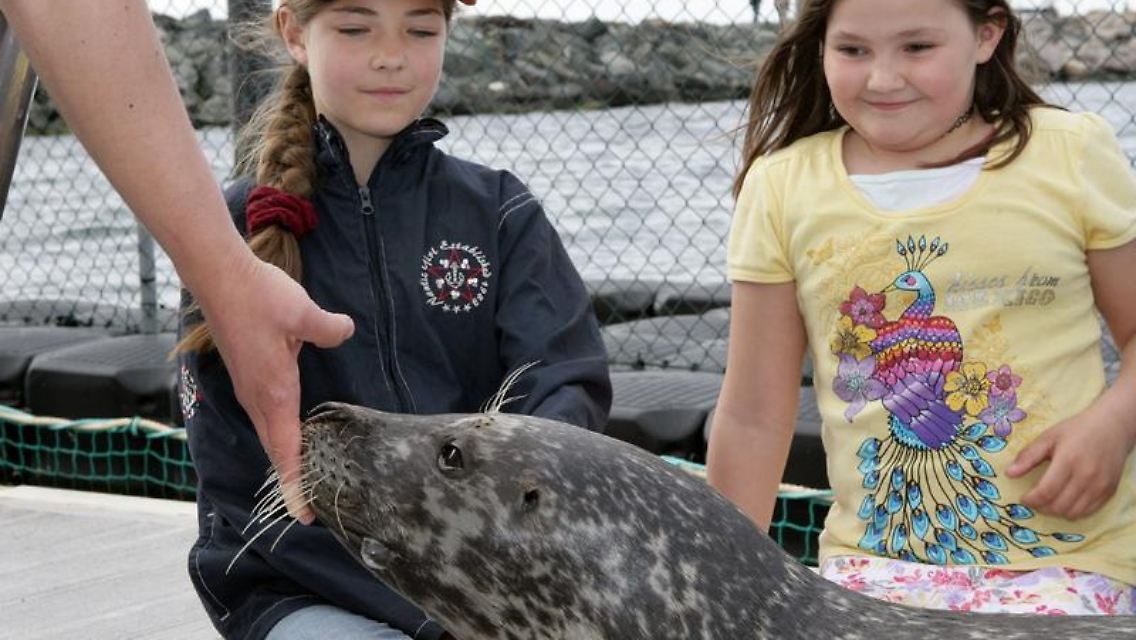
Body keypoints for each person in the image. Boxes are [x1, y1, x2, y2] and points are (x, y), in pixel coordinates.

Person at [175, 0, 611, 638]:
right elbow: (237, 485)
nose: (391, 54)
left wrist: (492, 563)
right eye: (355, 28)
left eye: (420, 29)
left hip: (490, 580)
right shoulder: (225, 242)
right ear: (295, 33)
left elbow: (565, 385)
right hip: (300, 586)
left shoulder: (498, 211)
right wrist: (427, 613)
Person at [709, 0, 1136, 615]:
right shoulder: (781, 186)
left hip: (1070, 564)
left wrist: (1115, 425)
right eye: (853, 50)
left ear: (986, 35)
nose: (883, 78)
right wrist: (728, 581)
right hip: (868, 569)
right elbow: (753, 413)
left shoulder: (1069, 152)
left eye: (917, 48)